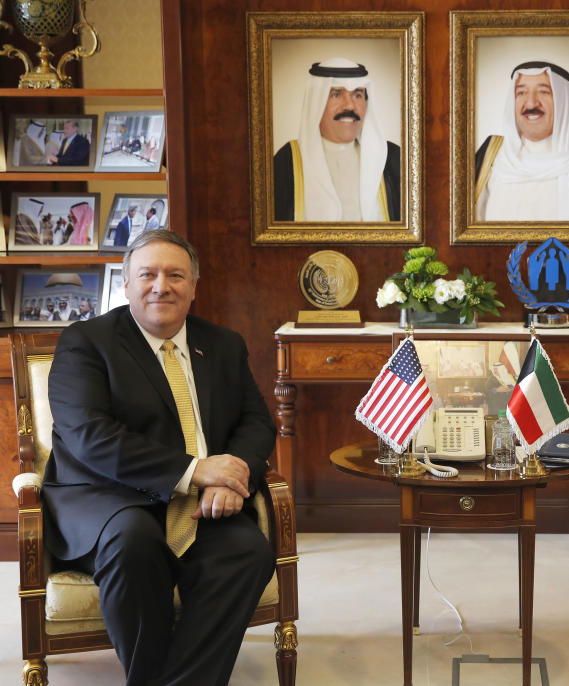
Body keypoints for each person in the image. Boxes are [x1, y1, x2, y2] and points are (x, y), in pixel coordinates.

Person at [44, 230, 276, 686]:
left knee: (248, 552)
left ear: (194, 287)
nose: (161, 286)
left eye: (176, 275)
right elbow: (90, 436)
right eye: (147, 274)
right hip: (108, 499)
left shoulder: (224, 343)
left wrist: (228, 477)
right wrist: (194, 471)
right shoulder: (86, 342)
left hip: (202, 503)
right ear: (126, 283)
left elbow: (256, 422)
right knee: (133, 545)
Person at [273, 57, 401, 222]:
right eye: (336, 94)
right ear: (316, 102)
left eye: (357, 95)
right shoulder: (287, 161)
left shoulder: (392, 159)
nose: (349, 106)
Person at [475, 61, 569, 222]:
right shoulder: (491, 154)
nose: (531, 103)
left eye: (544, 92)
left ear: (562, 100)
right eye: (521, 93)